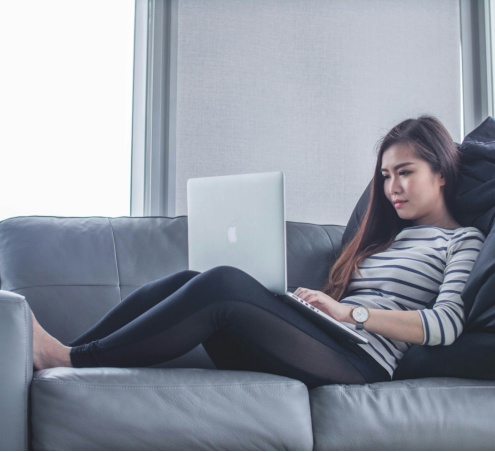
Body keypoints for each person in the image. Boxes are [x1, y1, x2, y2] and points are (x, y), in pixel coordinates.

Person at [31, 115, 486, 390]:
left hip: (364, 361)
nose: (391, 188)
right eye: (385, 176)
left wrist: (352, 315)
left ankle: (69, 359)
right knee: (193, 279)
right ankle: (70, 352)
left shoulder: (462, 240)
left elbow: (446, 325)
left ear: (442, 172)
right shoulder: (384, 237)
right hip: (325, 340)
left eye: (404, 172)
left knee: (223, 283)